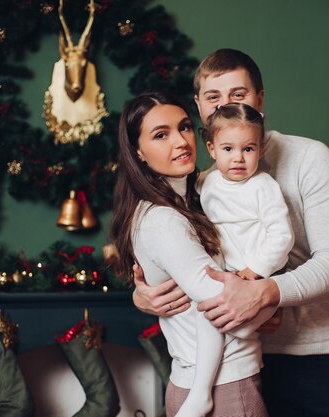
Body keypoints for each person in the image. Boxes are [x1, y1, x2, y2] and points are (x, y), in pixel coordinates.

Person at [133, 49, 329, 417]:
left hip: (326, 355)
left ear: (259, 100)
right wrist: (143, 295)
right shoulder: (202, 182)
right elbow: (185, 257)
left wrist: (264, 292)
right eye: (213, 98)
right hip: (246, 360)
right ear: (199, 106)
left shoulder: (310, 159)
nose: (224, 106)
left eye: (238, 94)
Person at [110, 92, 269, 417]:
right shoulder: (163, 219)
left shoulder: (195, 198)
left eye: (183, 128)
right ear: (138, 152)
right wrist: (270, 299)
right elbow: (231, 314)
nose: (180, 141)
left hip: (200, 383)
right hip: (224, 388)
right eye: (161, 135)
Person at [200, 102, 294, 283]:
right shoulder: (207, 181)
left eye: (248, 149)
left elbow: (281, 235)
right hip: (230, 270)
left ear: (260, 150)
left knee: (256, 309)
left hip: (264, 271)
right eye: (228, 149)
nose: (238, 158)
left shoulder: (263, 186)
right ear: (212, 150)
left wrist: (255, 269)